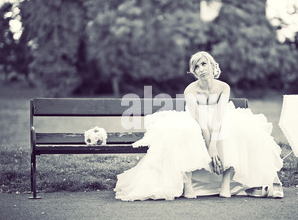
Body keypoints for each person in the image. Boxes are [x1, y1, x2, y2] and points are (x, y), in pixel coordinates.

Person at [114, 51, 284, 201]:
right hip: (197, 121)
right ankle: (188, 184)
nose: (201, 69)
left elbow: (219, 115)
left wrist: (213, 146)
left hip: (219, 120)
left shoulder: (224, 87)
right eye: (196, 67)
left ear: (212, 65)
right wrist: (211, 149)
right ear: (194, 72)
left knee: (238, 128)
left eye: (204, 64)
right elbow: (201, 122)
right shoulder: (190, 90)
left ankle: (225, 183)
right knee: (183, 132)